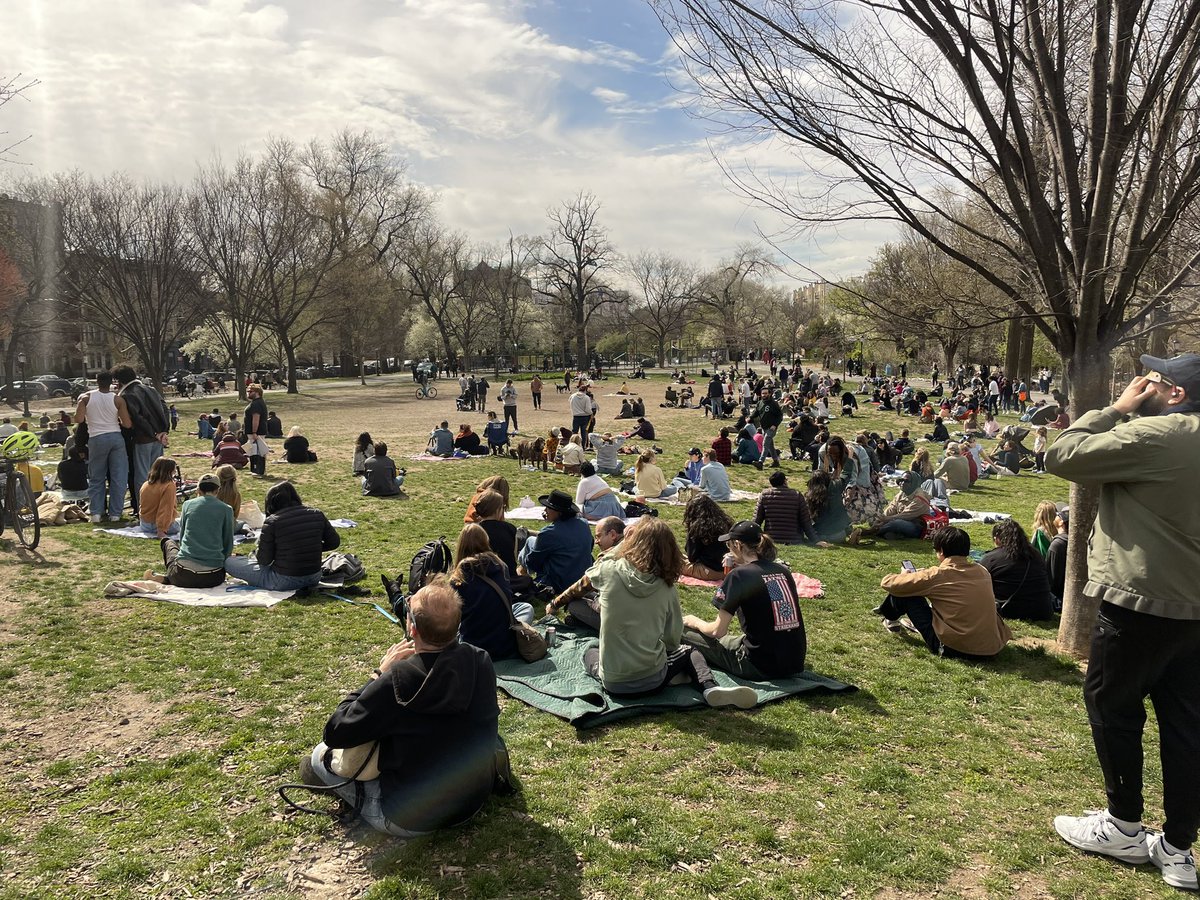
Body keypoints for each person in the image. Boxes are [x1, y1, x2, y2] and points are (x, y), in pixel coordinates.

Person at [1047, 356, 1200, 890]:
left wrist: (1113, 408)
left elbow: (1062, 453)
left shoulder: (1162, 435)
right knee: (1186, 727)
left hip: (1140, 603)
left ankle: (1123, 825)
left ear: (1174, 394)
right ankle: (1179, 848)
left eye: (1154, 379)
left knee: (1112, 705)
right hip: (1195, 611)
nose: (1144, 383)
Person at [302, 583, 504, 837]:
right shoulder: (480, 660)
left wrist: (378, 675)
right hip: (472, 801)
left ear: (412, 628)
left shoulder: (396, 680)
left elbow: (335, 731)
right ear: (457, 624)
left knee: (318, 756)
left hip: (411, 819)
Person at [582, 517, 756, 708]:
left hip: (614, 683)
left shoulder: (608, 572)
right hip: (653, 679)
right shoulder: (667, 589)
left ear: (632, 542)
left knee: (590, 650)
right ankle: (708, 686)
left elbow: (591, 572)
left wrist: (622, 543)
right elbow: (673, 640)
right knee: (689, 651)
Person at [682, 520, 808, 678]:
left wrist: (694, 621)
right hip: (792, 661)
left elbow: (716, 631)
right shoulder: (782, 571)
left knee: (682, 631)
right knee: (732, 641)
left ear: (737, 545)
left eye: (729, 545)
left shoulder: (739, 576)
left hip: (758, 665)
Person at [873, 526, 1012, 658]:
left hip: (953, 647)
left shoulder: (937, 575)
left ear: (941, 551)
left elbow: (888, 583)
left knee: (907, 593)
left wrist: (905, 575)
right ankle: (887, 613)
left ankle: (889, 618)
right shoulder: (982, 572)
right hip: (991, 647)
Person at [224, 482, 340, 591]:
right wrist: (311, 547)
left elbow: (264, 560)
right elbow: (334, 542)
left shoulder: (273, 522)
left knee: (229, 562)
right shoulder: (317, 514)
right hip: (314, 576)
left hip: (283, 580)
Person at [450, 524, 532, 662]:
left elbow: (455, 618)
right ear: (485, 541)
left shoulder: (458, 579)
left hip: (475, 647)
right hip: (504, 645)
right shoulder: (501, 567)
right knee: (525, 608)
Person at [152, 472, 234, 589]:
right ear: (218, 490)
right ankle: (168, 578)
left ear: (198, 489)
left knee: (168, 542)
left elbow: (183, 534)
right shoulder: (226, 509)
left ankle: (169, 578)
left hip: (183, 573)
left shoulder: (188, 505)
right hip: (214, 576)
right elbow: (228, 542)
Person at [545, 516, 625, 629]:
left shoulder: (610, 557)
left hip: (619, 622)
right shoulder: (635, 548)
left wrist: (555, 603)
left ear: (612, 534)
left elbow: (584, 584)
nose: (596, 541)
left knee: (573, 605)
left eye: (598, 536)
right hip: (642, 616)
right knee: (586, 594)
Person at [75, 371, 132, 523]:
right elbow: (127, 424)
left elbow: (78, 419)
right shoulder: (117, 399)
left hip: (96, 438)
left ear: (96, 381)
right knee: (118, 476)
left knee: (96, 477)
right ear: (111, 382)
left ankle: (96, 513)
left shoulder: (86, 398)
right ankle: (115, 514)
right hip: (115, 437)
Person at [112, 365, 171, 507]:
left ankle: (143, 508)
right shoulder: (150, 389)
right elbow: (164, 409)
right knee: (158, 474)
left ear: (120, 380)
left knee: (142, 476)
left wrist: (154, 433)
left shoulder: (127, 395)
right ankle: (158, 504)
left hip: (143, 439)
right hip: (158, 438)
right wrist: (164, 431)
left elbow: (137, 419)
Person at [517, 489, 594, 595]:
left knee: (530, 541)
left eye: (548, 508)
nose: (545, 510)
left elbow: (533, 562)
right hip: (583, 579)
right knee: (533, 542)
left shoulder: (549, 533)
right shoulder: (583, 523)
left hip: (560, 583)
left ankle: (522, 573)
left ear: (558, 512)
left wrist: (525, 562)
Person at [979, 519, 1055, 621]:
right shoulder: (1036, 555)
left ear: (997, 539)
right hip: (1042, 610)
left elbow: (979, 586)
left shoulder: (991, 558)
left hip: (1011, 610)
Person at [754, 470, 817, 545]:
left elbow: (757, 521)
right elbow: (806, 521)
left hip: (771, 538)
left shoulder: (764, 495)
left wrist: (750, 538)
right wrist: (816, 540)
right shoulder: (797, 495)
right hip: (794, 539)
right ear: (784, 481)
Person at [681, 493, 734, 580]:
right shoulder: (726, 522)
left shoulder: (697, 527)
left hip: (709, 571)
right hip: (727, 569)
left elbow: (691, 557)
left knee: (672, 560)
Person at [849, 489, 932, 542]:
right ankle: (894, 534)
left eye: (906, 481)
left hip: (917, 527)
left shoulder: (919, 497)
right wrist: (880, 520)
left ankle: (872, 532)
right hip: (903, 521)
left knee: (897, 523)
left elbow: (906, 515)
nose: (902, 483)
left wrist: (886, 519)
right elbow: (892, 508)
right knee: (889, 528)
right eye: (900, 481)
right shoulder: (902, 493)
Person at [473, 489, 518, 576]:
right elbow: (513, 557)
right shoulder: (510, 528)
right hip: (508, 577)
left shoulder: (474, 530)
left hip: (481, 576)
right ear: (497, 510)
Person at [138, 456, 180, 538]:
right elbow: (165, 509)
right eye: (174, 470)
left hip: (144, 525)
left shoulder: (146, 484)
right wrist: (161, 530)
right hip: (160, 527)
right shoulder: (169, 486)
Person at [750, 385, 784, 469]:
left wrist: (775, 425)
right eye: (763, 393)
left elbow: (780, 416)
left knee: (765, 443)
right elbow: (756, 412)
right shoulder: (760, 403)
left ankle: (761, 462)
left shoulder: (774, 403)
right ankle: (776, 461)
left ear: (769, 394)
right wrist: (750, 417)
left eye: (766, 393)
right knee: (770, 445)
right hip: (764, 427)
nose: (764, 395)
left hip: (771, 428)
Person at [240, 383, 269, 477]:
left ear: (257, 392)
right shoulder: (258, 402)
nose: (248, 393)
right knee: (254, 451)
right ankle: (256, 470)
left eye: (250, 391)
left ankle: (258, 471)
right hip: (256, 432)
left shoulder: (256, 404)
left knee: (257, 452)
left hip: (256, 432)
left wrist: (254, 432)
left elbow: (256, 418)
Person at [1045, 504, 1069, 609]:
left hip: (1059, 598)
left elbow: (1051, 579)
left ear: (1061, 522)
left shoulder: (1058, 545)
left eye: (1058, 514)